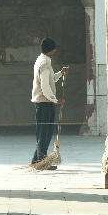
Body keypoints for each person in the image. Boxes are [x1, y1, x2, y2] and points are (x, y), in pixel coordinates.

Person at [30, 37, 69, 167]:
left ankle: (37, 161)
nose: (55, 51)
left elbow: (50, 80)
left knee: (45, 132)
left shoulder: (42, 60)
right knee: (44, 133)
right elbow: (45, 87)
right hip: (44, 102)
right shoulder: (44, 64)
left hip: (45, 102)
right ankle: (41, 161)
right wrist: (55, 100)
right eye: (54, 49)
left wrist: (60, 73)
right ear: (50, 50)